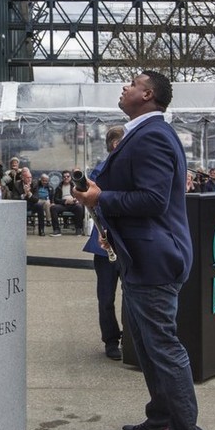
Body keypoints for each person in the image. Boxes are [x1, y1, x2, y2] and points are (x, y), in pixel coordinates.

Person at [73, 70, 209, 430]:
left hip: (153, 259)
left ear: (148, 95)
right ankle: (161, 422)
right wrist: (98, 189)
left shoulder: (151, 135)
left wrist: (100, 197)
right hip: (141, 258)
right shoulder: (143, 133)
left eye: (132, 83)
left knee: (164, 349)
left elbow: (152, 200)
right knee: (149, 347)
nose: (124, 87)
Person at [82, 126, 124, 360]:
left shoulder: (133, 168)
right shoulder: (101, 170)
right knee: (106, 297)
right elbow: (96, 203)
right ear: (114, 145)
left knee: (133, 296)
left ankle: (132, 337)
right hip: (105, 242)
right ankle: (111, 340)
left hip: (129, 242)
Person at [10, 167, 45, 236]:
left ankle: (41, 230)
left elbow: (36, 199)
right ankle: (19, 230)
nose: (30, 179)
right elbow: (14, 198)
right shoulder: (16, 184)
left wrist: (29, 194)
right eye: (27, 178)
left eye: (30, 177)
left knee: (40, 206)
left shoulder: (34, 184)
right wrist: (24, 195)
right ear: (22, 178)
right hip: (20, 205)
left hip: (31, 204)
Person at [49, 170, 85, 235]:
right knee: (53, 208)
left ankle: (78, 229)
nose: (66, 178)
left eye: (68, 176)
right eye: (64, 177)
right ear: (62, 178)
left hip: (73, 204)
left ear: (70, 177)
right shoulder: (59, 187)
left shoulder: (75, 186)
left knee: (80, 207)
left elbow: (81, 195)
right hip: (63, 205)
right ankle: (56, 230)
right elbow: (56, 199)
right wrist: (65, 201)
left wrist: (75, 200)